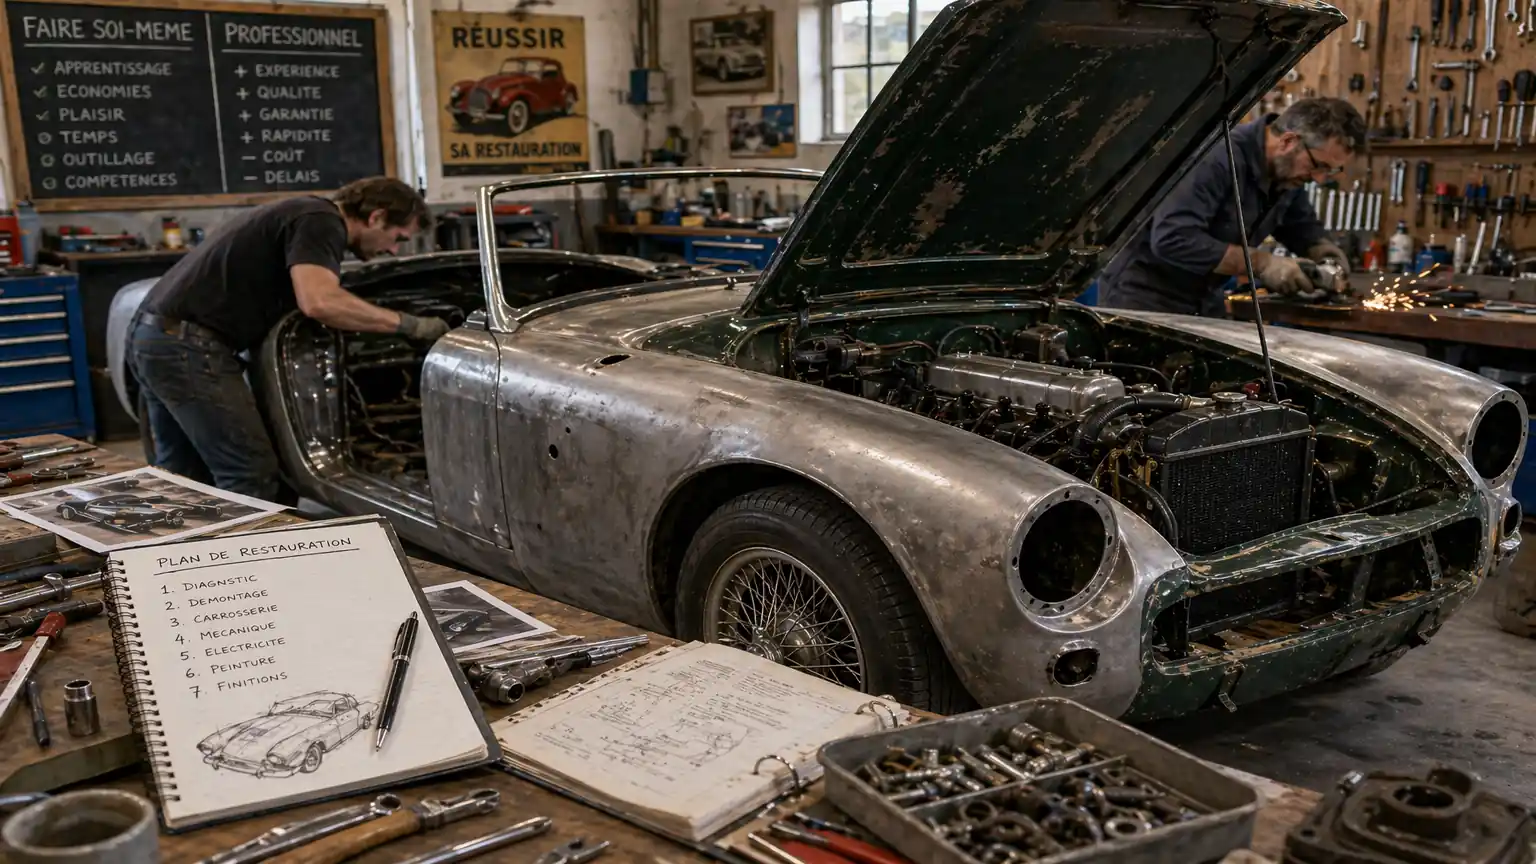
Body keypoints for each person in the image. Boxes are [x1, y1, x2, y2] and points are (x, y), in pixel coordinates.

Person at [127, 177, 450, 502]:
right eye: (398, 238)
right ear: (376, 216)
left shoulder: (302, 212)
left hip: (155, 336)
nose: (393, 250)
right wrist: (410, 326)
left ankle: (180, 549)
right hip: (186, 347)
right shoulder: (320, 221)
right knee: (250, 473)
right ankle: (256, 553)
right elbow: (320, 301)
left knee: (182, 476)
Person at [1097, 97, 1366, 316]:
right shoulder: (1216, 157)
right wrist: (1262, 263)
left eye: (1330, 171)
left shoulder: (1288, 174)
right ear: (1288, 141)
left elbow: (1300, 226)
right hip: (1144, 298)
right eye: (1318, 166)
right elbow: (1172, 238)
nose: (1319, 179)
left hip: (1206, 299)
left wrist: (1325, 253)